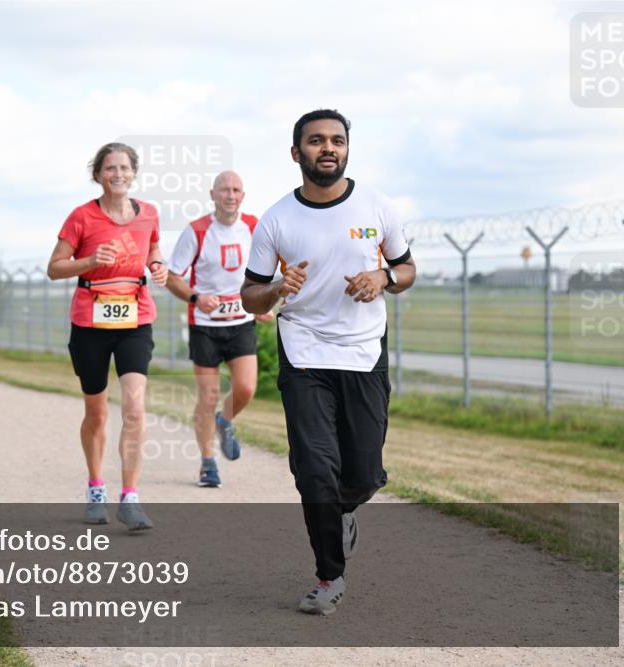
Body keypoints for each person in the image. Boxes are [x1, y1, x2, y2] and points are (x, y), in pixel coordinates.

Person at [241, 109, 416, 615]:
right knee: (315, 467)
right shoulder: (276, 219)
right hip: (304, 351)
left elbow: (407, 268)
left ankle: (344, 508)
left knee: (362, 474)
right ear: (297, 153)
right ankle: (328, 576)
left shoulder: (378, 207)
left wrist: (383, 279)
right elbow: (250, 295)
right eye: (316, 141)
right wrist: (276, 287)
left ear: (346, 149)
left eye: (336, 140)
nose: (327, 148)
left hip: (364, 351)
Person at [46, 142, 168, 531]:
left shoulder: (148, 213)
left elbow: (153, 249)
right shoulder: (81, 217)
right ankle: (96, 486)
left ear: (134, 172)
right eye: (109, 168)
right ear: (98, 174)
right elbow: (54, 268)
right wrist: (90, 261)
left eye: (124, 167)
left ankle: (130, 497)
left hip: (135, 318)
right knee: (97, 413)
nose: (117, 174)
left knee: (134, 408)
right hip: (90, 323)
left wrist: (158, 266)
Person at [165, 171, 273, 488]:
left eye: (236, 189)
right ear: (212, 194)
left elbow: (266, 273)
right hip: (205, 327)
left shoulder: (254, 227)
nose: (230, 194)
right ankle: (207, 463)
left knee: (246, 389)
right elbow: (172, 277)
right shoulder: (197, 231)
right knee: (208, 395)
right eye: (224, 189)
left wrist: (262, 303)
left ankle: (224, 422)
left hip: (241, 323)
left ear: (243, 195)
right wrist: (196, 298)